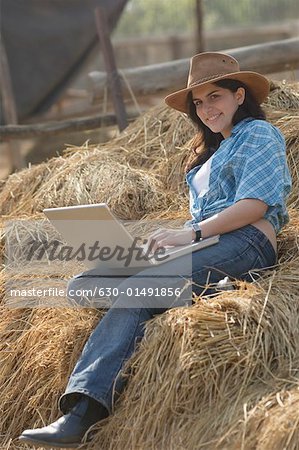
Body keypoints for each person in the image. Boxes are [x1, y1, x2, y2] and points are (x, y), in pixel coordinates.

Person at [19, 52, 291, 448]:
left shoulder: (259, 135)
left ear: (238, 95)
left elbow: (254, 206)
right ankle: (201, 287)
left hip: (245, 242)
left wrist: (191, 234)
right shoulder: (207, 156)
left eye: (214, 97)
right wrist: (150, 246)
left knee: (141, 288)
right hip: (208, 242)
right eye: (198, 103)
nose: (206, 109)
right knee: (83, 284)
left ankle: (82, 411)